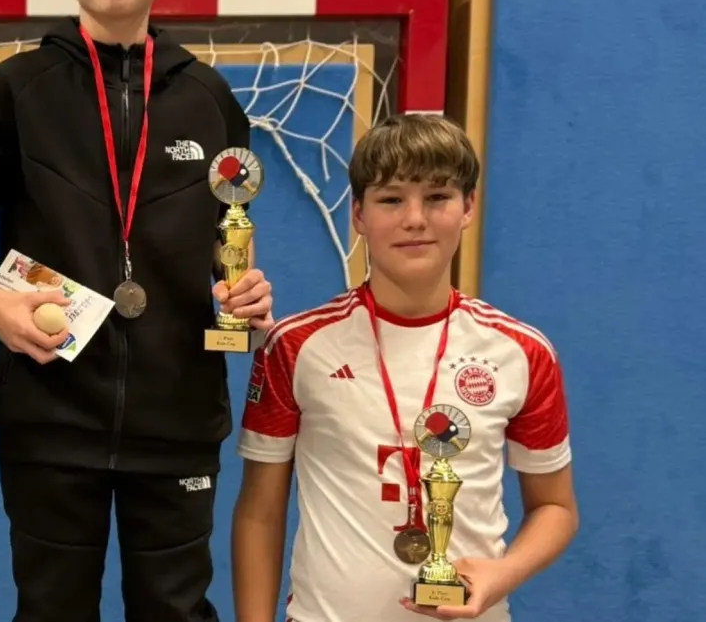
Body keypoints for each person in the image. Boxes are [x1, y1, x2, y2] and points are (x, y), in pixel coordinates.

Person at [0, 0, 274, 620]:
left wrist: (245, 294)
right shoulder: (14, 90)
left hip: (178, 413)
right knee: (51, 609)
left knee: (177, 608)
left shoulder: (210, 97)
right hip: (49, 409)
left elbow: (228, 236)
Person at [231, 113, 579, 622]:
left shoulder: (521, 351)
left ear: (468, 207)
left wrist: (501, 573)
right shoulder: (296, 345)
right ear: (357, 214)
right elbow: (260, 514)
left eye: (437, 197)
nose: (414, 218)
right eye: (391, 199)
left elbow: (557, 508)